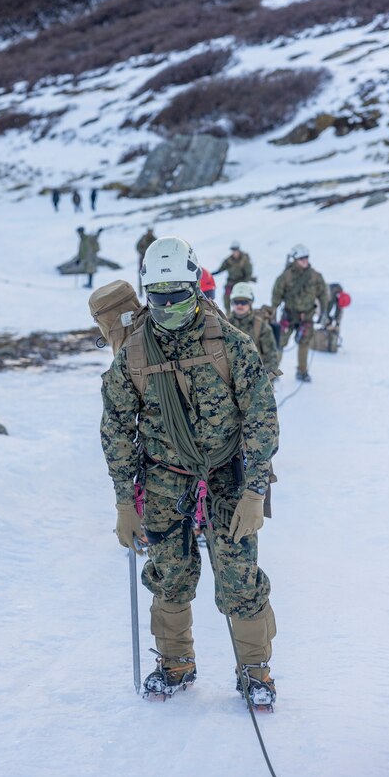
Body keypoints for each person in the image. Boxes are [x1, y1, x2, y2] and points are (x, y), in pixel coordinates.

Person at [100, 236, 278, 707]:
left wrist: (255, 491)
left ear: (196, 286)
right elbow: (117, 429)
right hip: (163, 478)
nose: (168, 305)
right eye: (157, 297)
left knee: (239, 575)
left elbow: (261, 416)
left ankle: (255, 669)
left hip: (227, 474)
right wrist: (124, 503)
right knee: (169, 573)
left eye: (178, 294)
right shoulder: (134, 356)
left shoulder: (232, 346)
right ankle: (176, 662)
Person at [271, 244, 328, 382]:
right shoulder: (286, 276)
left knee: (304, 344)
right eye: (301, 258)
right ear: (295, 259)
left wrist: (324, 312)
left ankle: (302, 372)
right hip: (289, 316)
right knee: (279, 343)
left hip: (307, 317)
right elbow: (276, 296)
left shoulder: (315, 276)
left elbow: (323, 294)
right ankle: (273, 373)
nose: (304, 260)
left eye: (306, 257)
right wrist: (272, 315)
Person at [226, 282, 279, 377]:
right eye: (236, 302)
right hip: (229, 376)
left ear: (250, 303)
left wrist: (264, 379)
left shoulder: (260, 326)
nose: (240, 305)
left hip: (255, 376)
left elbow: (271, 357)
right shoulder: (225, 323)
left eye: (244, 302)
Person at [213, 241, 254, 312]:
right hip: (231, 281)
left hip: (242, 281)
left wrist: (244, 283)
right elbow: (221, 269)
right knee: (226, 297)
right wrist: (212, 274)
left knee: (245, 298)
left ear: (238, 250)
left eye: (236, 250)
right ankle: (228, 313)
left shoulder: (245, 260)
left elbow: (248, 273)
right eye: (233, 250)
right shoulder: (229, 260)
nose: (234, 252)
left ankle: (248, 312)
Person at [136, 227, 156, 294]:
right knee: (141, 275)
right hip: (142, 259)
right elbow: (137, 247)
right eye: (149, 231)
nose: (150, 232)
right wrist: (143, 252)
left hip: (151, 260)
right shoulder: (143, 239)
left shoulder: (154, 239)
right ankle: (140, 292)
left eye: (151, 231)